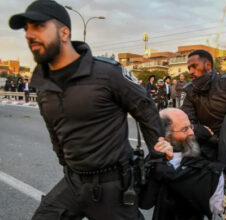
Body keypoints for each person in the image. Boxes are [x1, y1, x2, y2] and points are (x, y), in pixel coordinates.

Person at [9, 1, 164, 219]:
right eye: (27, 29)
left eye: (38, 26)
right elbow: (56, 133)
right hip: (73, 183)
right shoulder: (43, 85)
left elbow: (146, 109)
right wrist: (66, 162)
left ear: (64, 33)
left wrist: (158, 158)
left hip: (112, 188)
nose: (29, 35)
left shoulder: (107, 73)